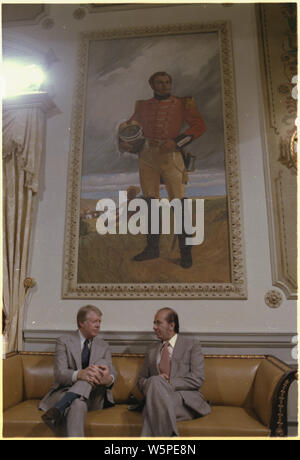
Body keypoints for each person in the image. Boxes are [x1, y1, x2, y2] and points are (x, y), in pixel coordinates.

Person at [119, 71, 206, 268]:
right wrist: (125, 144)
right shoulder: (142, 106)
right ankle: (152, 249)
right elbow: (130, 129)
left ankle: (186, 253)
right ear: (152, 85)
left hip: (171, 156)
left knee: (179, 203)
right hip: (147, 156)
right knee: (150, 203)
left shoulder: (183, 103)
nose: (165, 85)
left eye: (168, 82)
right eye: (160, 82)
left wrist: (176, 142)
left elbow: (199, 126)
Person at [39, 305, 117, 437]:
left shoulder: (103, 345)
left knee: (100, 364)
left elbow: (112, 372)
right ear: (81, 323)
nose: (98, 325)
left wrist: (108, 379)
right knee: (78, 404)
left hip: (93, 396)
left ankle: (59, 408)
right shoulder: (64, 341)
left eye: (99, 322)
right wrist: (80, 374)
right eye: (94, 322)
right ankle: (68, 400)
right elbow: (60, 374)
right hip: (65, 391)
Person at [137, 307, 210, 437]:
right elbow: (141, 380)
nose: (154, 327)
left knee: (151, 409)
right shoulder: (152, 350)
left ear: (171, 325)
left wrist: (169, 382)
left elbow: (197, 378)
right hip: (158, 398)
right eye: (154, 323)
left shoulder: (191, 344)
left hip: (183, 399)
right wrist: (157, 382)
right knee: (154, 380)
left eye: (158, 323)